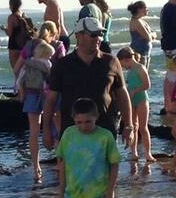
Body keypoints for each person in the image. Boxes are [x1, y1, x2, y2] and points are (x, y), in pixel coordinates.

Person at [43, 17, 133, 149]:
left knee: (107, 168)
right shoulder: (63, 64)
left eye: (100, 34)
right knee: (72, 169)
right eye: (93, 34)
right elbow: (51, 100)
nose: (98, 38)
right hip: (72, 132)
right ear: (79, 35)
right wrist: (46, 130)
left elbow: (122, 94)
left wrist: (129, 125)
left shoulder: (111, 61)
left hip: (105, 130)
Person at [56, 98, 121, 198]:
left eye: (88, 122)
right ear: (73, 119)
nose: (83, 126)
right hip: (73, 194)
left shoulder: (105, 137)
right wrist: (61, 193)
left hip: (97, 195)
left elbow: (114, 164)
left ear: (96, 117)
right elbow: (62, 162)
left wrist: (109, 193)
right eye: (79, 122)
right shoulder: (69, 134)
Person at [19, 42, 54, 182]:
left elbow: (20, 82)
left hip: (31, 96)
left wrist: (22, 95)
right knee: (53, 125)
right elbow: (52, 82)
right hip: (45, 96)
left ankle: (36, 167)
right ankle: (60, 161)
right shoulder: (47, 64)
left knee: (33, 132)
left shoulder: (27, 64)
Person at [118, 47, 156, 166]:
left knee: (143, 127)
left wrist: (135, 90)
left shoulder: (140, 68)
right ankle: (134, 152)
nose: (123, 67)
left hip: (141, 99)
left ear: (127, 59)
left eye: (122, 63)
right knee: (133, 126)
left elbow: (147, 84)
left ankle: (148, 153)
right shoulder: (129, 71)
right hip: (131, 100)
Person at [1, 0, 33, 77]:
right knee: (24, 71)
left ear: (11, 5)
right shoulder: (23, 15)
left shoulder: (12, 17)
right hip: (24, 45)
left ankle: (18, 88)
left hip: (14, 46)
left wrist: (4, 29)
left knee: (16, 71)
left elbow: (10, 33)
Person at [127, 1, 154, 67]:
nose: (147, 10)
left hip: (145, 53)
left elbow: (153, 34)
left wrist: (151, 35)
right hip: (139, 54)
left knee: (144, 73)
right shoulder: (136, 22)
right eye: (145, 8)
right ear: (139, 9)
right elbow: (149, 37)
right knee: (141, 75)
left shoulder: (141, 21)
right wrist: (151, 35)